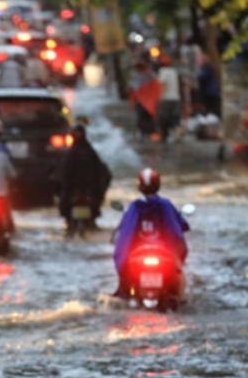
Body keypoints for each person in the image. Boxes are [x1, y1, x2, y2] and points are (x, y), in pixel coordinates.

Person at [113, 168, 190, 298]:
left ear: (139, 186)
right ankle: (181, 298)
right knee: (179, 272)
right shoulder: (165, 204)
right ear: (158, 185)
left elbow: (125, 233)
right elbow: (175, 229)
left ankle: (123, 292)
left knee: (125, 273)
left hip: (138, 253)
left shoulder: (134, 206)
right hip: (163, 252)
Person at [58, 124, 111, 231]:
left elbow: (60, 175)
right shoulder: (89, 153)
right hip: (85, 196)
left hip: (81, 196)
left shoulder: (71, 155)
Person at [157, 56, 182, 142]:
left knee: (162, 118)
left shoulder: (163, 71)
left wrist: (160, 96)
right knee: (176, 118)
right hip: (176, 98)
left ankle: (162, 136)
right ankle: (178, 136)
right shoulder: (174, 72)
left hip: (166, 98)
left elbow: (163, 84)